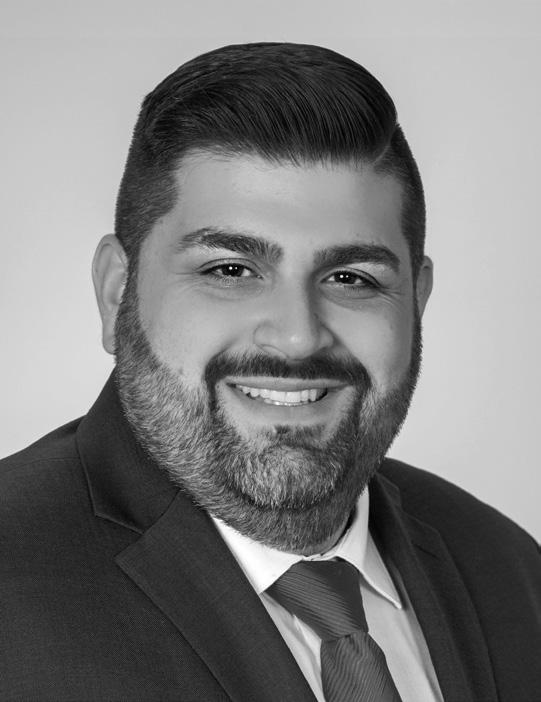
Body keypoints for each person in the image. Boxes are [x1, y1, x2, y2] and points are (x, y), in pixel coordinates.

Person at [0, 42, 539, 702]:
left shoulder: (506, 569)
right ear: (118, 293)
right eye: (230, 270)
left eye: (351, 278)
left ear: (416, 301)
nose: (297, 335)